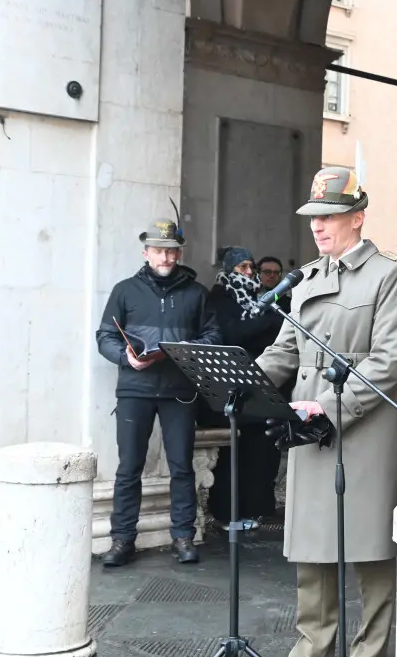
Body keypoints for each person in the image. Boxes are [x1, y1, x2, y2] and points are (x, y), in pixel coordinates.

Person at [254, 166, 397, 657]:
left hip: (361, 422)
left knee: (368, 543)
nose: (318, 226)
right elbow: (285, 349)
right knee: (311, 537)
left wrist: (325, 408)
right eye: (313, 218)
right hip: (308, 421)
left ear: (357, 217)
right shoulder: (306, 278)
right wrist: (241, 382)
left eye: (328, 216)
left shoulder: (389, 276)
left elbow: (387, 361)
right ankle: (314, 649)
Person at [94, 215, 221, 566]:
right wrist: (125, 357)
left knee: (181, 466)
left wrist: (188, 350)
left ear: (179, 253)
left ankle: (183, 536)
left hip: (180, 391)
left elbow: (214, 336)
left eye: (172, 251)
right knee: (128, 468)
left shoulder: (197, 293)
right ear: (146, 252)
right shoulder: (124, 290)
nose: (166, 257)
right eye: (159, 250)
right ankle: (122, 540)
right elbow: (104, 336)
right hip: (134, 389)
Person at [202, 246, 286, 525]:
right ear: (229, 269)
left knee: (259, 450)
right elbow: (232, 333)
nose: (249, 273)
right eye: (243, 267)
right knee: (233, 453)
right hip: (232, 386)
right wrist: (267, 320)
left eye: (251, 267)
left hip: (259, 384)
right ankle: (228, 513)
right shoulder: (220, 297)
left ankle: (254, 508)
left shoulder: (259, 298)